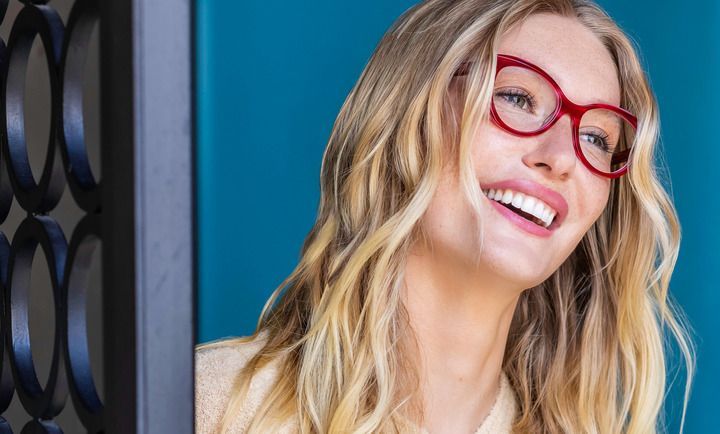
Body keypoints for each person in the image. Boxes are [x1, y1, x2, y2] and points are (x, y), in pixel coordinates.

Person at [195, 0, 696, 432]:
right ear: (407, 116)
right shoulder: (207, 407)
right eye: (517, 98)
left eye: (597, 138)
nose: (561, 157)